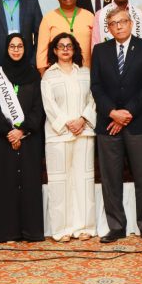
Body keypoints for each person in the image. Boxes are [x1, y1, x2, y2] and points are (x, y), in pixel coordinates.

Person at [90, 8, 142, 244]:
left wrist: (126, 114)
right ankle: (116, 227)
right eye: (113, 23)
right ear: (108, 28)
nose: (118, 26)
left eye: (122, 22)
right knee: (110, 179)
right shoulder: (100, 51)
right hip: (108, 123)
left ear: (131, 24)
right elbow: (96, 86)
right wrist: (112, 113)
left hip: (139, 123)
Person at [0, 34, 45, 244]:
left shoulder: (34, 75)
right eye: (12, 46)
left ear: (25, 49)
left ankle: (29, 231)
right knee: (4, 184)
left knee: (28, 185)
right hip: (0, 139)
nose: (16, 50)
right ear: (6, 49)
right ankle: (4, 231)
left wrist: (22, 130)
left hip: (29, 138)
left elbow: (38, 108)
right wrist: (9, 132)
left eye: (20, 46)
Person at [42, 33, 97, 242]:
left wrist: (82, 120)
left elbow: (92, 100)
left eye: (69, 46)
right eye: (61, 46)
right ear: (55, 50)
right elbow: (49, 105)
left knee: (84, 180)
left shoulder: (85, 73)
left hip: (84, 133)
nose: (65, 49)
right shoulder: (48, 76)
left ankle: (85, 226)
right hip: (58, 136)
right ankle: (62, 229)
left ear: (74, 50)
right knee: (60, 182)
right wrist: (68, 123)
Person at [37, 0, 94, 73]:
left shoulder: (89, 16)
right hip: (57, 75)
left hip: (86, 74)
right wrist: (44, 75)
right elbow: (42, 52)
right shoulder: (48, 18)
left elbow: (96, 48)